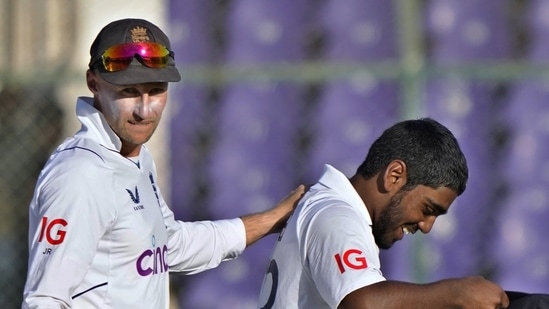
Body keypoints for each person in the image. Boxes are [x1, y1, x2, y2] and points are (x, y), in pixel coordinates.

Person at [22, 18, 305, 309]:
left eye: (155, 90)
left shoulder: (134, 157)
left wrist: (271, 219)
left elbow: (168, 246)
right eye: (129, 91)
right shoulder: (80, 174)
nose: (145, 110)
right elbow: (44, 300)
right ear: (94, 83)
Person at [258, 117, 547, 309]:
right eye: (429, 209)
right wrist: (454, 294)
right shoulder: (337, 215)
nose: (427, 225)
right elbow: (361, 304)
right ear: (395, 175)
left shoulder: (330, 208)